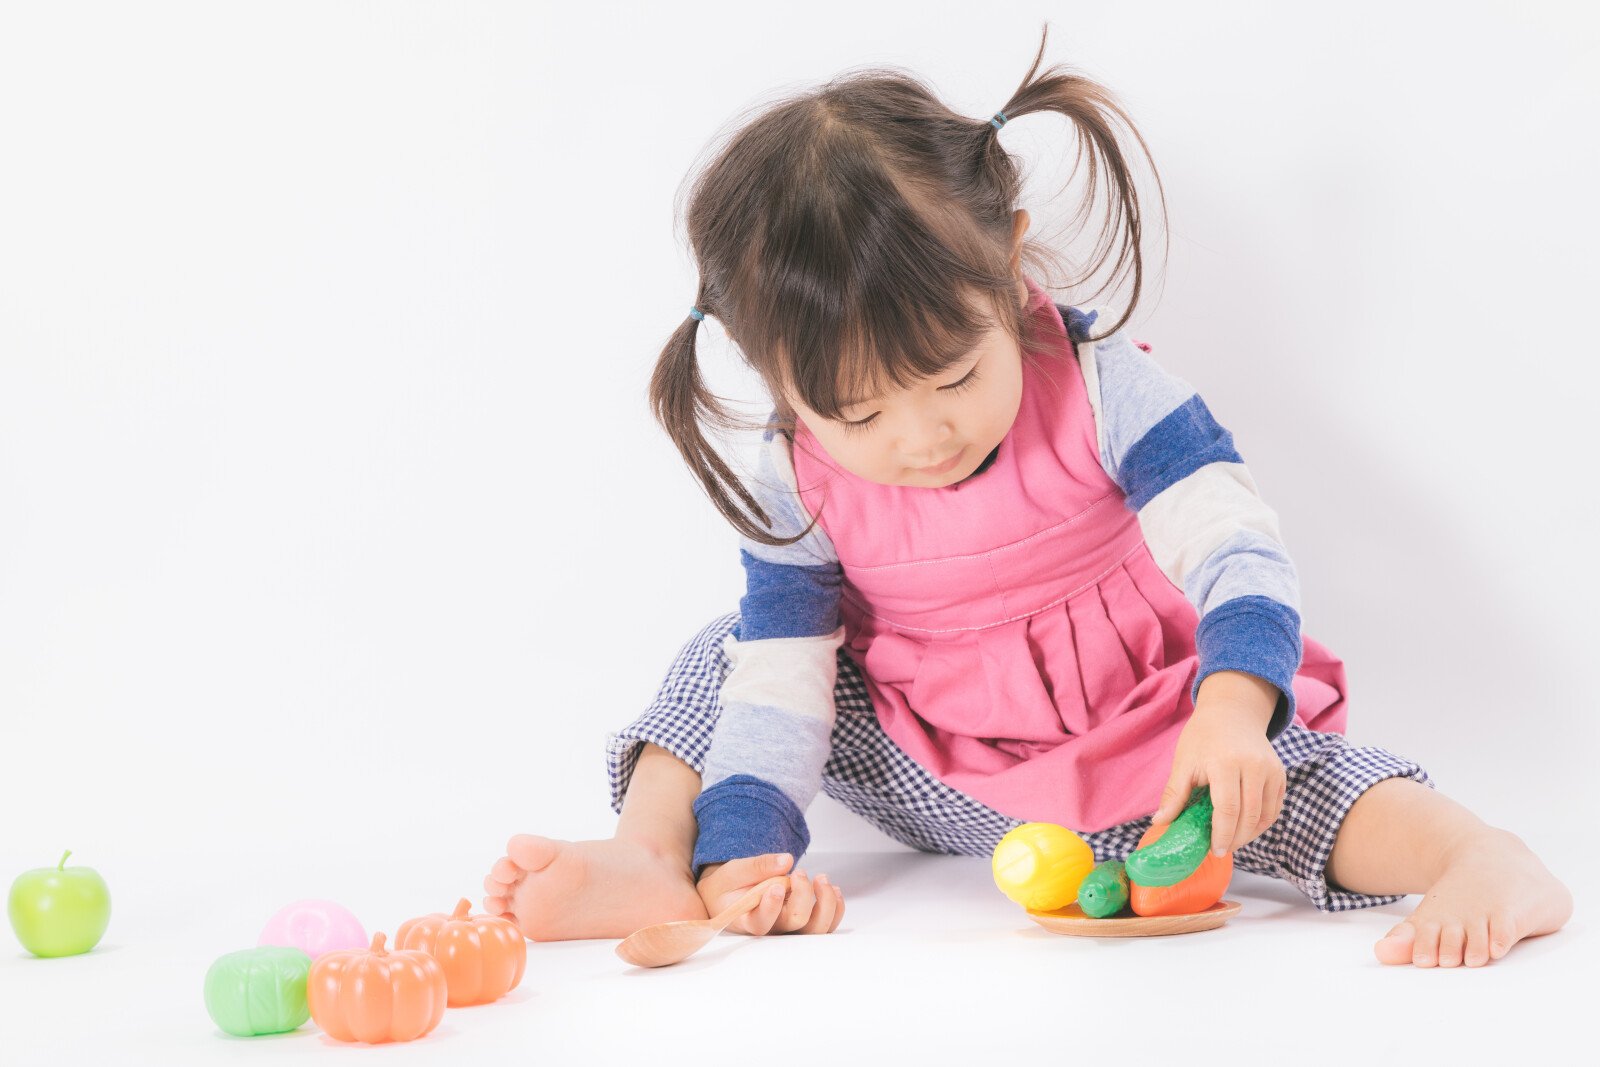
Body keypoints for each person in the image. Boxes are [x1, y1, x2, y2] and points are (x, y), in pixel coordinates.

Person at [482, 25, 1571, 967]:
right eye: (858, 413)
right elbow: (785, 685)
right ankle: (661, 854)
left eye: (954, 375)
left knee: (1286, 785)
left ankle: (1475, 852)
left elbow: (1236, 547)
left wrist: (1231, 715)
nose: (922, 436)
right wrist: (748, 850)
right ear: (771, 372)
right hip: (930, 766)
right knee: (732, 656)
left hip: (1142, 753)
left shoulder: (1104, 390)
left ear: (1006, 264)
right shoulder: (794, 474)